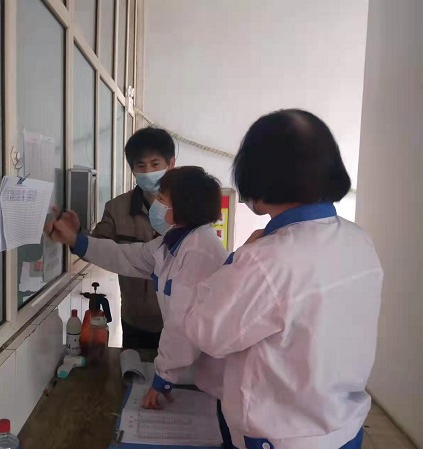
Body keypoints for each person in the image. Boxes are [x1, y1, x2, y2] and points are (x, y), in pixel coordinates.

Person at [163, 110, 383, 449]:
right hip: (343, 427)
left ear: (258, 177)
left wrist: (234, 261)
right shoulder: (358, 240)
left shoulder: (266, 259)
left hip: (279, 438)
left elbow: (208, 333)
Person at [46, 166, 230, 408]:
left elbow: (182, 326)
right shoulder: (171, 243)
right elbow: (125, 256)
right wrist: (75, 240)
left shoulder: (199, 252)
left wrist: (163, 379)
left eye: (162, 199)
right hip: (190, 368)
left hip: (207, 374)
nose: (156, 204)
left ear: (183, 207)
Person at [94, 127, 176, 349]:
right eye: (141, 165)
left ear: (171, 163)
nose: (148, 171)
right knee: (133, 368)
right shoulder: (116, 208)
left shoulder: (188, 207)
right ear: (132, 170)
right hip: (135, 321)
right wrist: (75, 237)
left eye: (155, 164)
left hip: (178, 323)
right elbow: (98, 249)